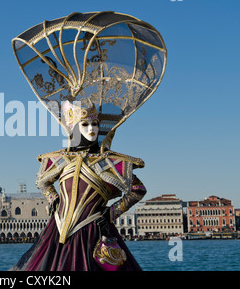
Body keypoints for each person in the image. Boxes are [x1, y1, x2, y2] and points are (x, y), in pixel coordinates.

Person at [11, 101, 146, 271]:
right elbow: (43, 182)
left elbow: (138, 189)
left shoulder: (109, 162)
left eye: (95, 125)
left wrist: (112, 213)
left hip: (91, 230)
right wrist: (53, 198)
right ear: (75, 128)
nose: (91, 129)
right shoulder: (61, 159)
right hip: (58, 229)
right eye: (85, 124)